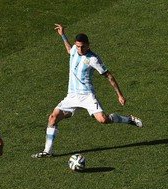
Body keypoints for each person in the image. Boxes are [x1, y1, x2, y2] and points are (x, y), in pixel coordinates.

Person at [31, 24, 142, 158]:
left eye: (82, 46)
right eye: (78, 46)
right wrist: (63, 36)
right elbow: (69, 51)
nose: (80, 49)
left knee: (103, 120)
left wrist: (120, 95)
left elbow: (109, 76)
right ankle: (47, 151)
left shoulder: (93, 59)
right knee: (53, 118)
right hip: (71, 96)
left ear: (88, 45)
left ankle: (128, 119)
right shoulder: (73, 50)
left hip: (87, 96)